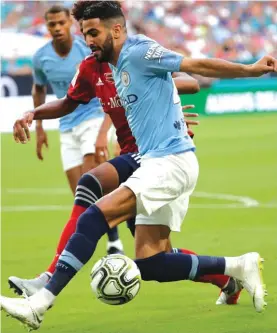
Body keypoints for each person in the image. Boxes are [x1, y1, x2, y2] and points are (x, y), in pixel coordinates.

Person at [2, 1, 274, 330]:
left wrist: (251, 70)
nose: (87, 40)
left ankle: (40, 302)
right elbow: (92, 98)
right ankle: (236, 267)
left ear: (116, 30)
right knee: (152, 263)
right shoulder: (107, 65)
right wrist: (34, 114)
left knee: (92, 217)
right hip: (159, 161)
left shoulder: (140, 51)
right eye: (85, 33)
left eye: (93, 33)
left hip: (169, 163)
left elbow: (194, 65)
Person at [31, 4, 124, 255]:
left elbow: (111, 87)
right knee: (80, 195)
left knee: (90, 180)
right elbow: (38, 89)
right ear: (47, 26)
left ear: (70, 24)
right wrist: (39, 127)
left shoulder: (88, 48)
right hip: (67, 126)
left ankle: (113, 242)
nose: (58, 28)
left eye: (62, 23)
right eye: (52, 24)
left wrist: (106, 131)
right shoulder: (41, 57)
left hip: (93, 117)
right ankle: (111, 234)